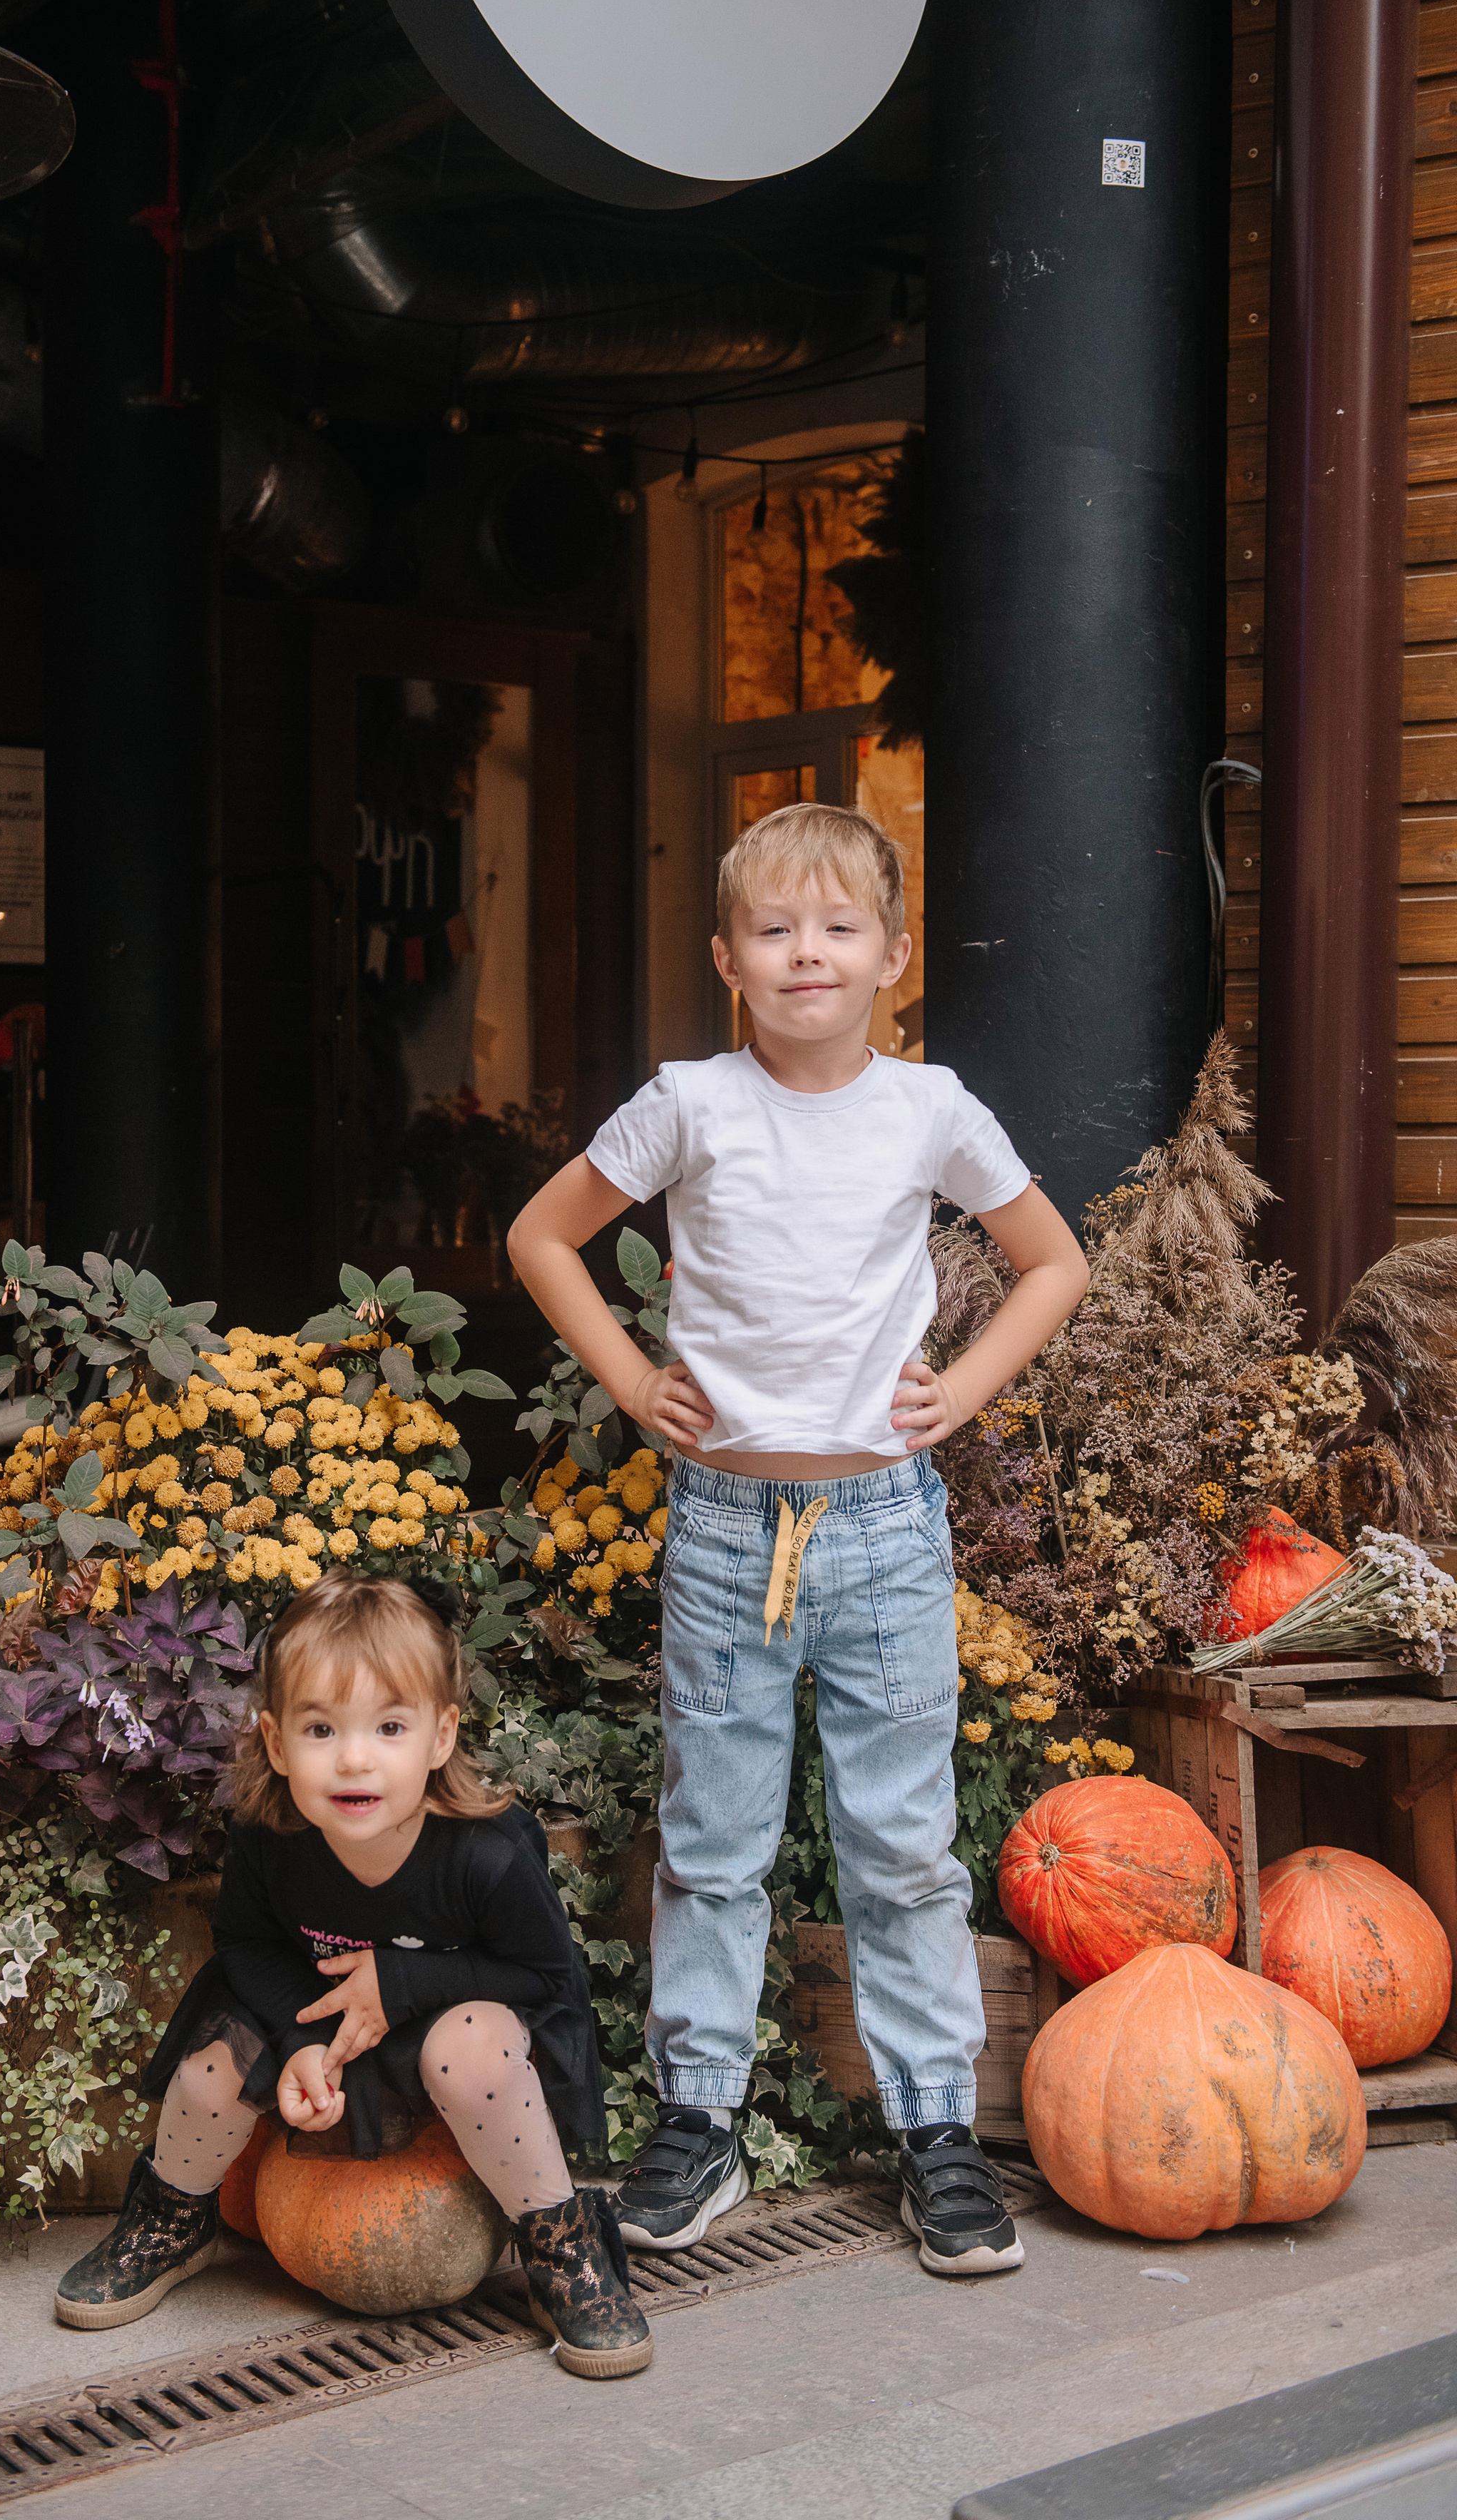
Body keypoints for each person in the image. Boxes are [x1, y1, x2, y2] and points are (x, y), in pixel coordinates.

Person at [506, 801, 1090, 2279]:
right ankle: (697, 2123)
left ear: (892, 955)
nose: (805, 954)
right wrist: (634, 1385)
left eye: (837, 928)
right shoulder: (689, 1106)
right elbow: (539, 1237)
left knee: (900, 1848)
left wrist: (952, 1393)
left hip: (883, 1530)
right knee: (711, 1844)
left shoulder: (929, 1109)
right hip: (720, 1528)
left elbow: (1049, 1262)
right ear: (726, 958)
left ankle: (936, 2131)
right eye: (773, 930)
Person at [53, 1569, 652, 2378]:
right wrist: (301, 2037)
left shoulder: (487, 1854)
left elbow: (544, 1979)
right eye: (322, 1731)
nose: (355, 1760)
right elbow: (246, 1946)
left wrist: (398, 1983)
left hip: (455, 2029)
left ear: (441, 1737)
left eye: (390, 1727)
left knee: (471, 2052)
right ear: (275, 1742)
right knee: (209, 2070)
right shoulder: (274, 1837)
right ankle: (171, 2216)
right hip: (317, 2015)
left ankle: (559, 2245)